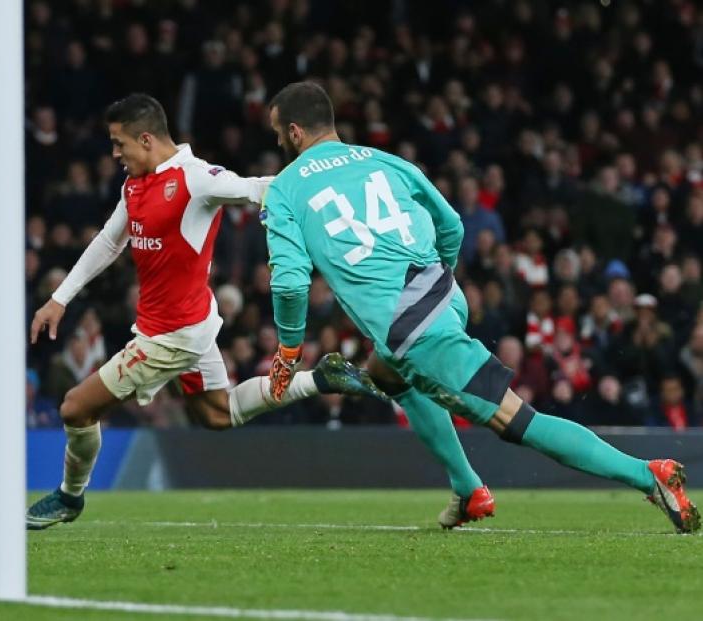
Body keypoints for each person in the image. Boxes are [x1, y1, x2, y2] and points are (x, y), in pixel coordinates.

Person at [262, 81, 699, 534]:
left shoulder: (286, 189)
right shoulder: (384, 161)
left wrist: (289, 350)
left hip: (417, 329)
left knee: (515, 419)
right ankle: (468, 488)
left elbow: (292, 285)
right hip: (443, 293)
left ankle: (648, 474)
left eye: (278, 135)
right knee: (388, 374)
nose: (279, 144)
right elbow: (451, 223)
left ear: (295, 133)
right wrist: (439, 276)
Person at [25, 93, 385, 530]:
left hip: (170, 337)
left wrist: (331, 190)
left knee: (74, 409)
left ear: (145, 138)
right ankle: (319, 378)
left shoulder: (195, 179)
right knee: (216, 414)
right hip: (187, 325)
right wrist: (60, 297)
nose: (115, 154)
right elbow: (108, 241)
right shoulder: (134, 184)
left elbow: (256, 187)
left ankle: (70, 496)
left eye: (120, 144)